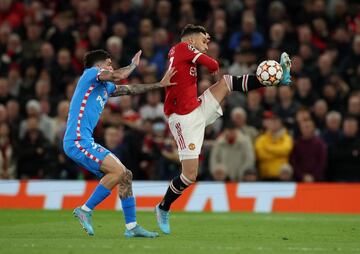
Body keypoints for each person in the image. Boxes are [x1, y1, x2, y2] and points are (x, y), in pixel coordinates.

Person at [155, 24, 292, 234]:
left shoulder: (184, 52)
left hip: (196, 107)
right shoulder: (182, 47)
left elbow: (206, 61)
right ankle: (163, 207)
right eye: (204, 41)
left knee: (227, 82)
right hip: (183, 119)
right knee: (189, 175)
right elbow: (210, 63)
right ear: (191, 40)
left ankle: (276, 79)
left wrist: (209, 61)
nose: (206, 46)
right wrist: (212, 64)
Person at [63, 49, 175, 238]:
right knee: (118, 172)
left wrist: (159, 84)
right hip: (77, 140)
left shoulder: (105, 87)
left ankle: (132, 226)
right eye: (108, 63)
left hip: (85, 141)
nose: (111, 66)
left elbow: (130, 89)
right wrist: (133, 65)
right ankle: (85, 210)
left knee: (125, 176)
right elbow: (119, 75)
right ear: (99, 66)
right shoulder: (90, 74)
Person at [255, 114, 293, 180]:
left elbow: (285, 150)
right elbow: (260, 155)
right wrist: (278, 155)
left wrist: (268, 148)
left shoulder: (287, 137)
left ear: (281, 124)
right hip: (265, 175)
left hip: (282, 177)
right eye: (272, 122)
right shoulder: (261, 138)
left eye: (276, 122)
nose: (274, 124)